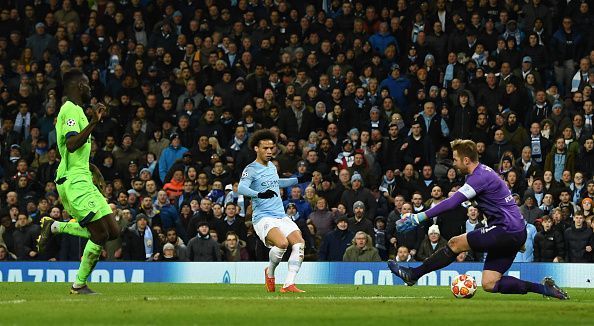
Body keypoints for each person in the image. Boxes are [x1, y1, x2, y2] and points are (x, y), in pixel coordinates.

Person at [388, 139, 569, 299]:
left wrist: (419, 217)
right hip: (513, 230)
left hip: (505, 229)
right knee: (490, 283)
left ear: (466, 160)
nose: (454, 163)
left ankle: (413, 274)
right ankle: (544, 289)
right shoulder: (484, 171)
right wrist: (517, 235)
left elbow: (452, 203)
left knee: (454, 243)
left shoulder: (478, 177)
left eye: (456, 159)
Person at [36, 70, 120, 294]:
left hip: (83, 177)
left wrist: (92, 168)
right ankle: (79, 284)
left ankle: (54, 226)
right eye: (86, 84)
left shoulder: (79, 111)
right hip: (73, 181)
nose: (90, 87)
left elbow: (74, 153)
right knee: (99, 234)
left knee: (113, 231)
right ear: (78, 86)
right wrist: (94, 123)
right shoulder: (69, 110)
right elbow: (71, 144)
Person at [237, 129, 306, 293]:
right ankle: (270, 271)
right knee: (282, 244)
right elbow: (241, 187)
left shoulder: (271, 167)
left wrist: (298, 179)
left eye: (271, 148)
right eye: (265, 148)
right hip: (263, 217)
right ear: (256, 149)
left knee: (299, 244)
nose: (269, 152)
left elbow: (277, 183)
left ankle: (288, 284)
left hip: (280, 216)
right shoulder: (251, 169)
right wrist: (259, 194)